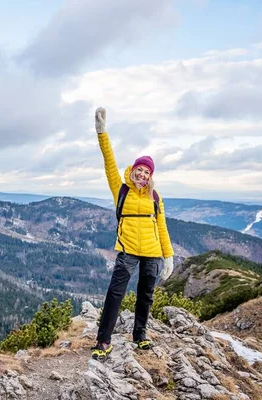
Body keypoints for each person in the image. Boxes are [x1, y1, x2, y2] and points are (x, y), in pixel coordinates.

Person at [91, 107, 174, 361]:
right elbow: (109, 163)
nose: (142, 174)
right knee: (115, 293)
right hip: (127, 250)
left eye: (147, 172)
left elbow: (162, 227)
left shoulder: (155, 197)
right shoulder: (121, 189)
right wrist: (102, 133)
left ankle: (140, 335)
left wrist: (167, 255)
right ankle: (103, 340)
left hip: (152, 253)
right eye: (140, 169)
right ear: (133, 170)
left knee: (145, 296)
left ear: (150, 177)